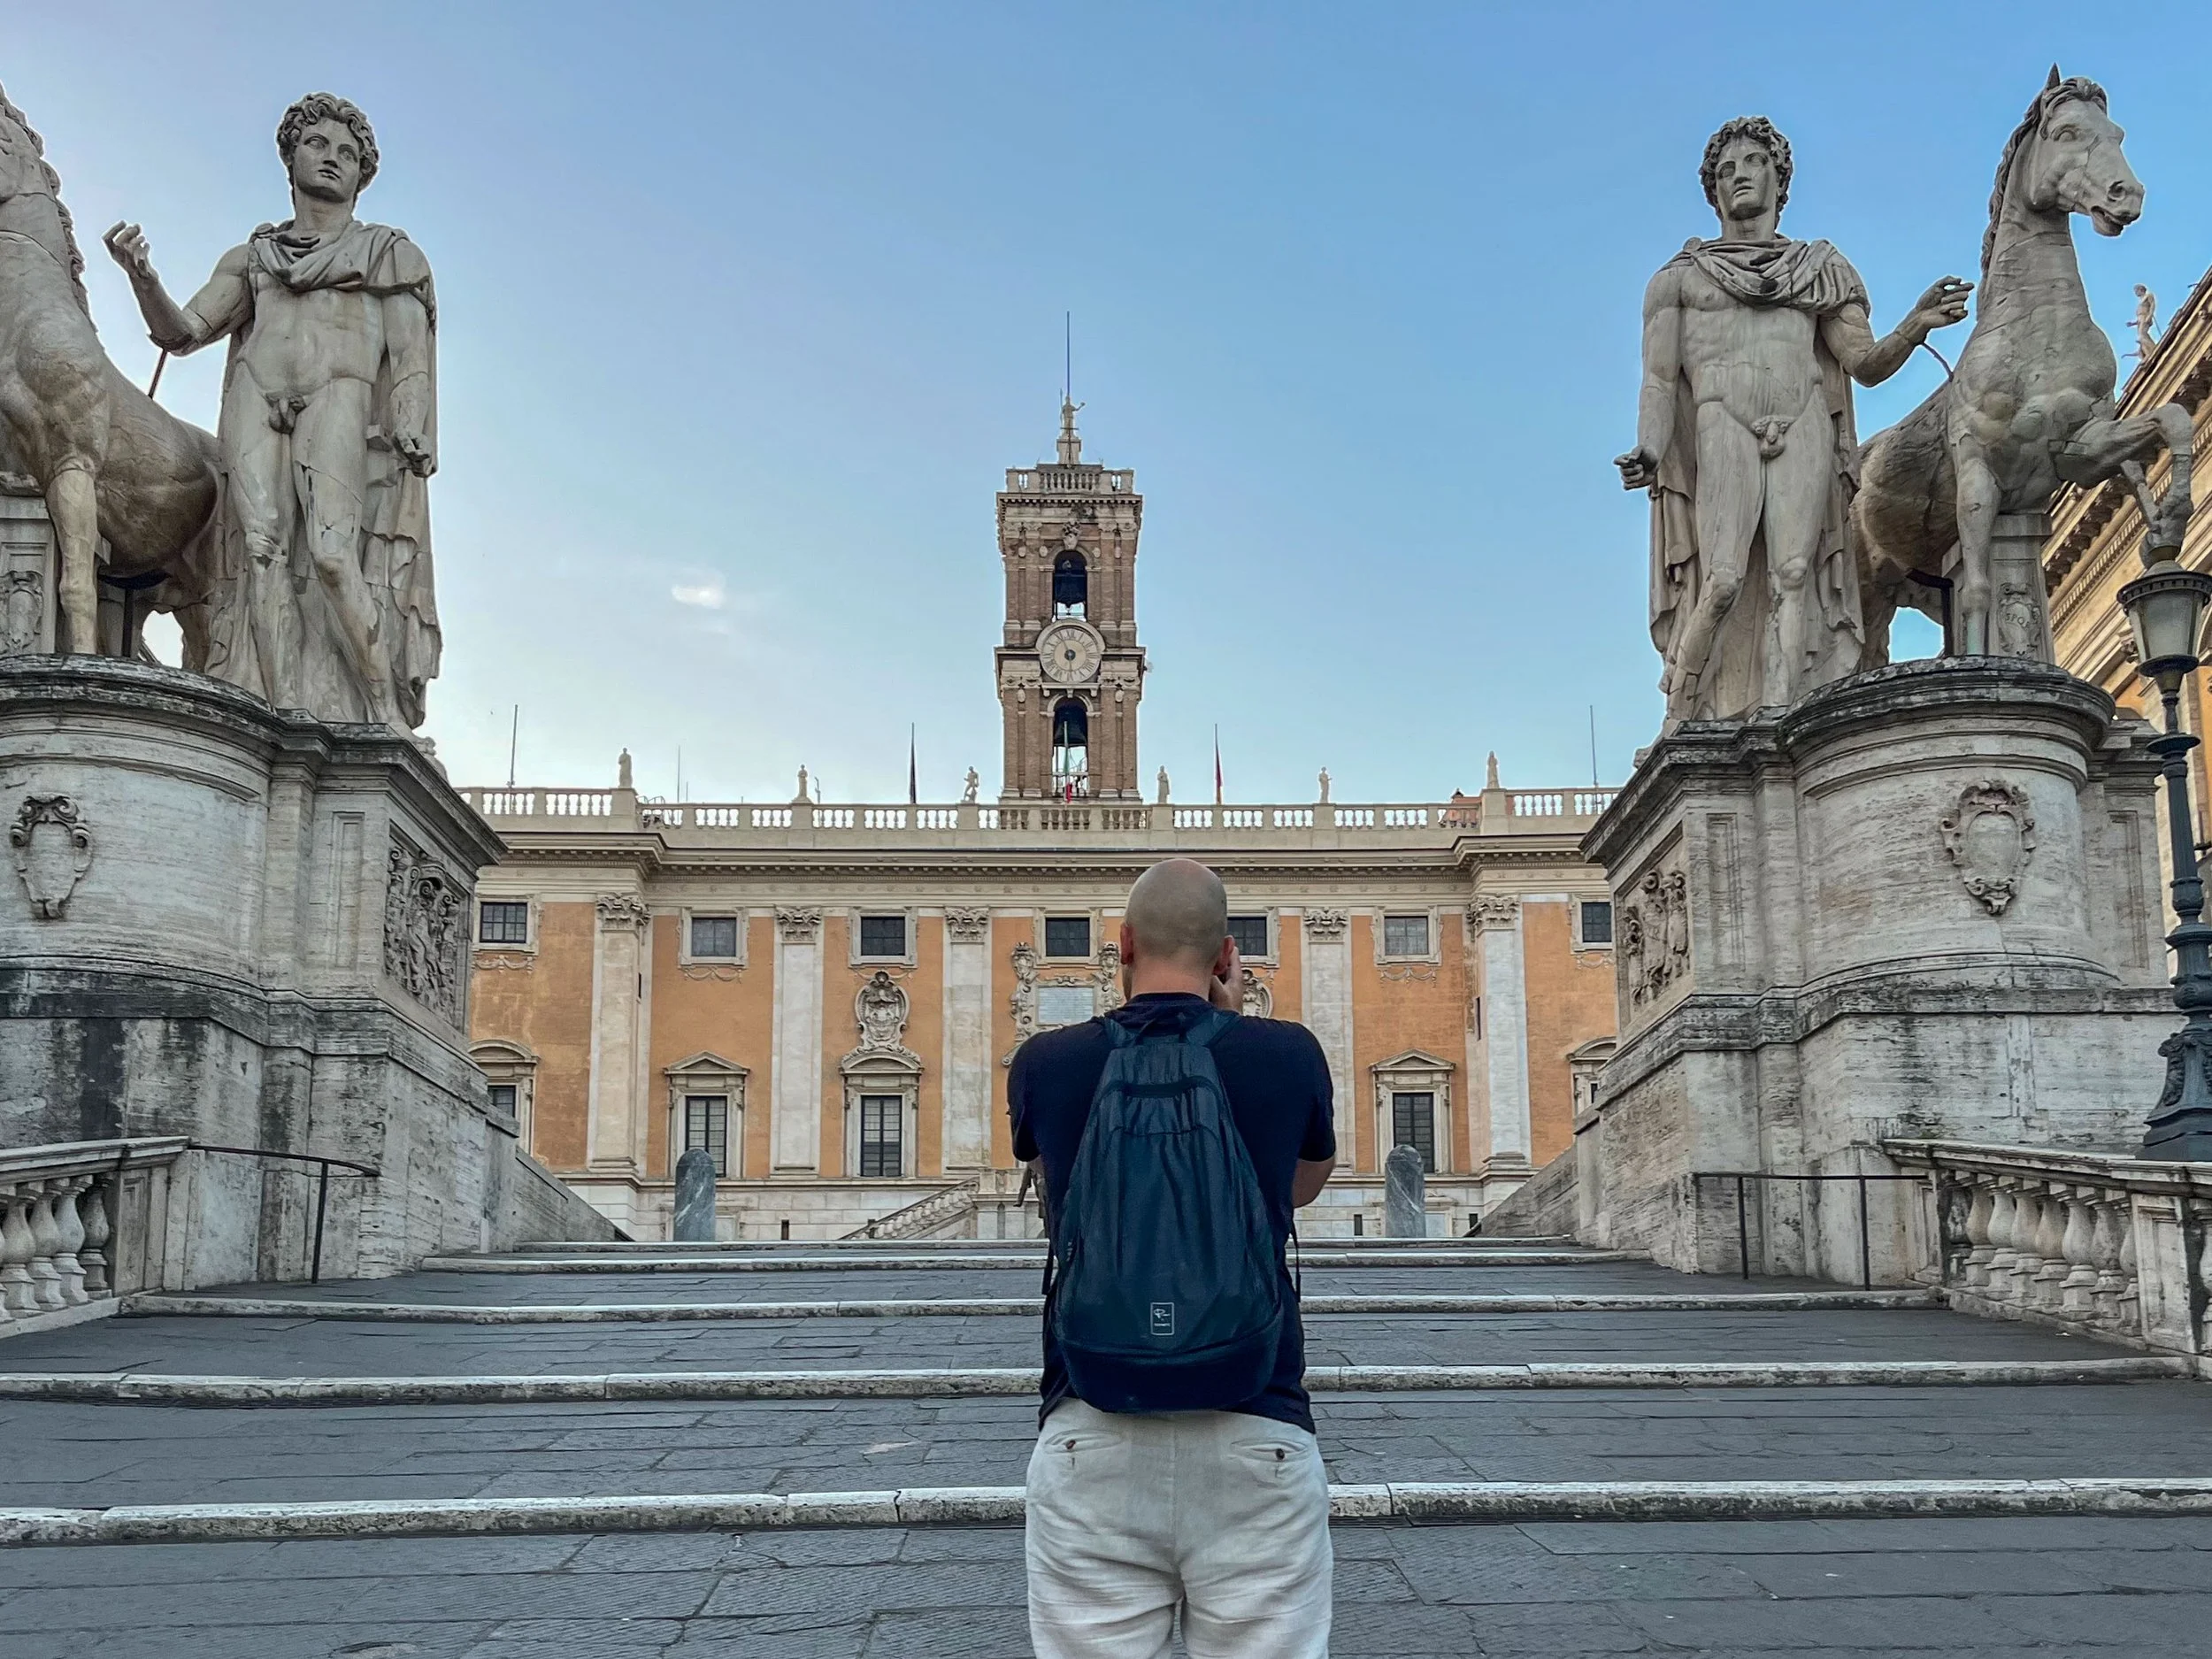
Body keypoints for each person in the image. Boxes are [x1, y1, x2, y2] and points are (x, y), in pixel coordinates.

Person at [1010, 857, 1336, 1657]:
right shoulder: (1289, 1054)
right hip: (1255, 1422)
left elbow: (1061, 1188)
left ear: (1120, 945)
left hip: (1093, 1424)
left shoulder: (1044, 1064)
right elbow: (1298, 1189)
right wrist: (1230, 1028)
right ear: (1227, 954)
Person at [1615, 115, 1968, 721]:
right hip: (1722, 418)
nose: (1739, 176)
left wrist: (1914, 325)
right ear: (1713, 191)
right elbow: (1658, 379)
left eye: (1753, 163)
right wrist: (1649, 449)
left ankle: (1781, 716)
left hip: (1802, 416)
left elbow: (1863, 363)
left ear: (1780, 181)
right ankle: (1683, 708)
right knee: (1722, 578)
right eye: (1725, 171)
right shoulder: (1678, 281)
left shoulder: (1820, 270)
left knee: (1795, 573)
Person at [105, 92, 439, 729]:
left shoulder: (388, 254)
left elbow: (409, 354)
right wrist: (144, 278)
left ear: (362, 176)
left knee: (335, 555)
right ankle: (281, 712)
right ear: (290, 158)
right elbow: (183, 333)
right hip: (257, 396)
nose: (333, 159)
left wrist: (412, 419)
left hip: (337, 393)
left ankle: (381, 709)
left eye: (348, 153)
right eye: (318, 144)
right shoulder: (254, 256)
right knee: (260, 551)